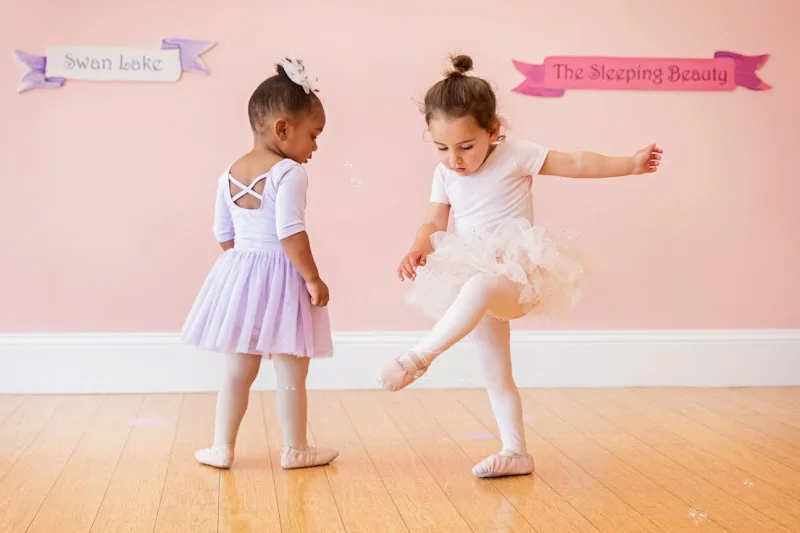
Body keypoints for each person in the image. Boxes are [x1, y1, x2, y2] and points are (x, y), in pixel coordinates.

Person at [378, 54, 662, 478]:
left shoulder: (515, 155)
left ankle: (419, 358)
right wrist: (418, 247)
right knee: (495, 370)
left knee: (480, 287)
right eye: (442, 148)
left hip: (516, 275)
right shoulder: (446, 175)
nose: (454, 159)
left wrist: (629, 165)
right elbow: (434, 220)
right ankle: (515, 451)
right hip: (474, 268)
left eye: (466, 146)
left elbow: (577, 163)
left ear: (494, 131)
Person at [182, 58, 338, 470]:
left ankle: (221, 447)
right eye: (313, 135)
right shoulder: (289, 172)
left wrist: (246, 271)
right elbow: (290, 231)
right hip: (285, 276)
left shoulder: (229, 174)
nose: (315, 147)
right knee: (291, 370)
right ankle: (296, 448)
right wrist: (312, 277)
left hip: (242, 275)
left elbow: (222, 233)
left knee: (237, 369)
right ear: (283, 129)